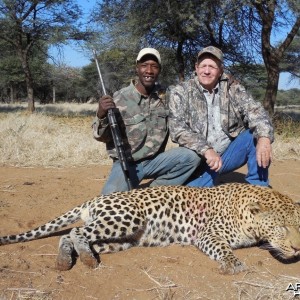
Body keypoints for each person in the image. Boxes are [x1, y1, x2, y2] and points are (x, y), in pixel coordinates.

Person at [92, 48, 200, 194]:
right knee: (108, 203)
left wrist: (225, 77)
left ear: (159, 70)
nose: (149, 70)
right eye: (144, 65)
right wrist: (101, 114)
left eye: (154, 66)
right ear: (137, 68)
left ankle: (150, 194)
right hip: (127, 164)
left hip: (156, 161)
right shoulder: (119, 98)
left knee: (191, 157)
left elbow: (190, 89)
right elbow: (101, 137)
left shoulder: (167, 95)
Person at [168, 46, 274, 187]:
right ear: (196, 67)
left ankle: (259, 189)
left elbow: (256, 111)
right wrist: (206, 149)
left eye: (212, 67)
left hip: (227, 156)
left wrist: (264, 138)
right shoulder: (180, 92)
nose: (206, 71)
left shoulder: (233, 88)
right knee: (195, 202)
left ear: (220, 70)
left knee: (254, 136)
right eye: (203, 66)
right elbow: (177, 129)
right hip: (199, 160)